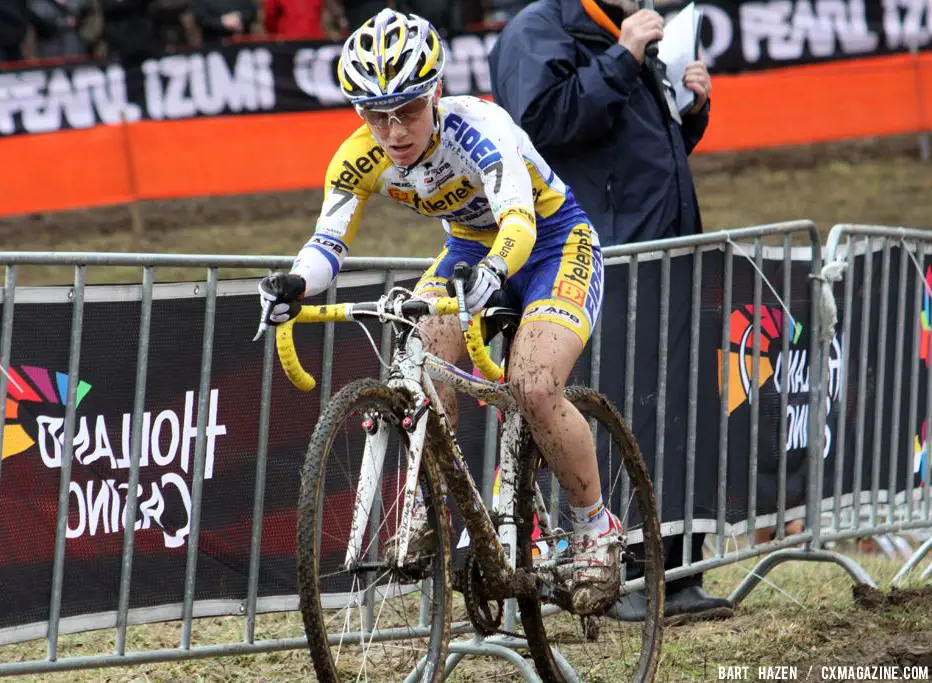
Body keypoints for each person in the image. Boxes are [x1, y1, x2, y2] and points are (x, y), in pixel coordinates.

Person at [258, 8, 622, 616]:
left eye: (407, 110)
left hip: (551, 240)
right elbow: (327, 245)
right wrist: (295, 283)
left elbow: (519, 221)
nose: (394, 131)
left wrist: (492, 274)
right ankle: (436, 500)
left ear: (436, 92)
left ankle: (595, 525)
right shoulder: (358, 156)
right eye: (377, 116)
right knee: (418, 353)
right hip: (467, 250)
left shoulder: (479, 128)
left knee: (533, 384)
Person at [488, 0, 732, 621]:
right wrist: (624, 59)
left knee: (667, 413)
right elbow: (539, 129)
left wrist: (689, 112)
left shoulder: (621, 33)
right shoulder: (537, 31)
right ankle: (611, 573)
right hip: (590, 266)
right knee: (615, 409)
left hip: (663, 258)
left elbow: (635, 152)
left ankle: (672, 568)